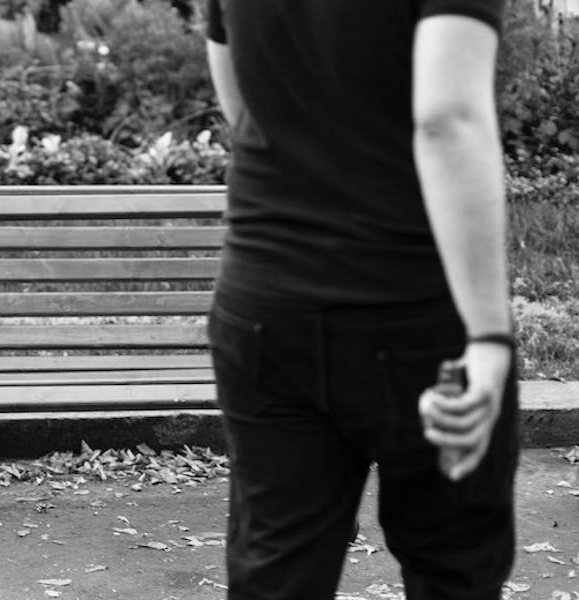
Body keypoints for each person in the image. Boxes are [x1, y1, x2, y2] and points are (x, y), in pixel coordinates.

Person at [203, 2, 518, 599]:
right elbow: (447, 120)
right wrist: (489, 335)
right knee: (453, 570)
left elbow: (242, 104)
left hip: (267, 306)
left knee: (275, 573)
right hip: (414, 311)